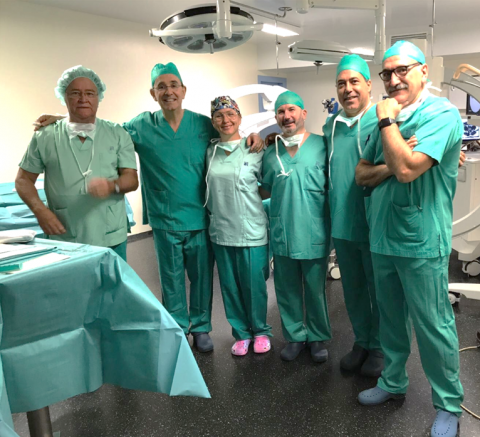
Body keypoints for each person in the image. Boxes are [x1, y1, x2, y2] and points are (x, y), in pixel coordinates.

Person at [33, 62, 263, 352]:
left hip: (200, 215)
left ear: (184, 90)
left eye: (173, 85)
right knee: (171, 277)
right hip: (164, 215)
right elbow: (107, 131)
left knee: (202, 277)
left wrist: (256, 136)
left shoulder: (203, 123)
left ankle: (201, 327)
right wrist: (66, 119)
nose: (168, 91)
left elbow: (229, 133)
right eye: (161, 87)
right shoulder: (142, 125)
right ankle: (178, 326)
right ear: (153, 94)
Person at [355, 41, 464, 437]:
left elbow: (407, 170)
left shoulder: (442, 114)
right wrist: (390, 160)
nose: (394, 79)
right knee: (390, 320)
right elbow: (363, 174)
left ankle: (448, 403)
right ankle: (393, 381)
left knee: (433, 324)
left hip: (421, 240)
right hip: (383, 236)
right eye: (387, 73)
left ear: (423, 71)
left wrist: (387, 123)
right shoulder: (384, 119)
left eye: (402, 70)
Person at [16, 65, 138, 261]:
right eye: (75, 93)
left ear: (98, 97)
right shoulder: (46, 136)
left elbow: (131, 179)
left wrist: (111, 185)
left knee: (112, 281)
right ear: (64, 97)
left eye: (90, 93)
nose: (83, 99)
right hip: (65, 236)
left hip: (110, 234)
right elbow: (23, 180)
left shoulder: (116, 133)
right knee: (70, 281)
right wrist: (40, 212)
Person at [323, 55, 385, 376]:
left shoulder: (383, 119)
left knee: (381, 292)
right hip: (343, 223)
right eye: (341, 84)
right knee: (354, 290)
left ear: (368, 84)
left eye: (354, 81)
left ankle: (381, 347)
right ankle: (362, 341)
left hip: (376, 224)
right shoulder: (331, 126)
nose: (348, 89)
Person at [260, 91, 331, 362]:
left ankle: (317, 336)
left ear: (303, 113)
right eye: (280, 112)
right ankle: (294, 336)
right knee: (286, 288)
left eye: (291, 110)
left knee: (315, 289)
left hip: (314, 230)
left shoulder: (322, 145)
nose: (286, 116)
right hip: (283, 230)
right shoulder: (271, 153)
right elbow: (265, 190)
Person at [205, 96, 272, 355]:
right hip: (221, 230)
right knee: (230, 287)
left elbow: (267, 187)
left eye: (231, 114)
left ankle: (261, 331)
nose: (226, 120)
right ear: (213, 121)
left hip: (251, 229)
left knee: (254, 286)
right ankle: (241, 333)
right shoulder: (209, 152)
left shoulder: (255, 149)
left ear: (240, 118)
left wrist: (260, 136)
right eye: (219, 116)